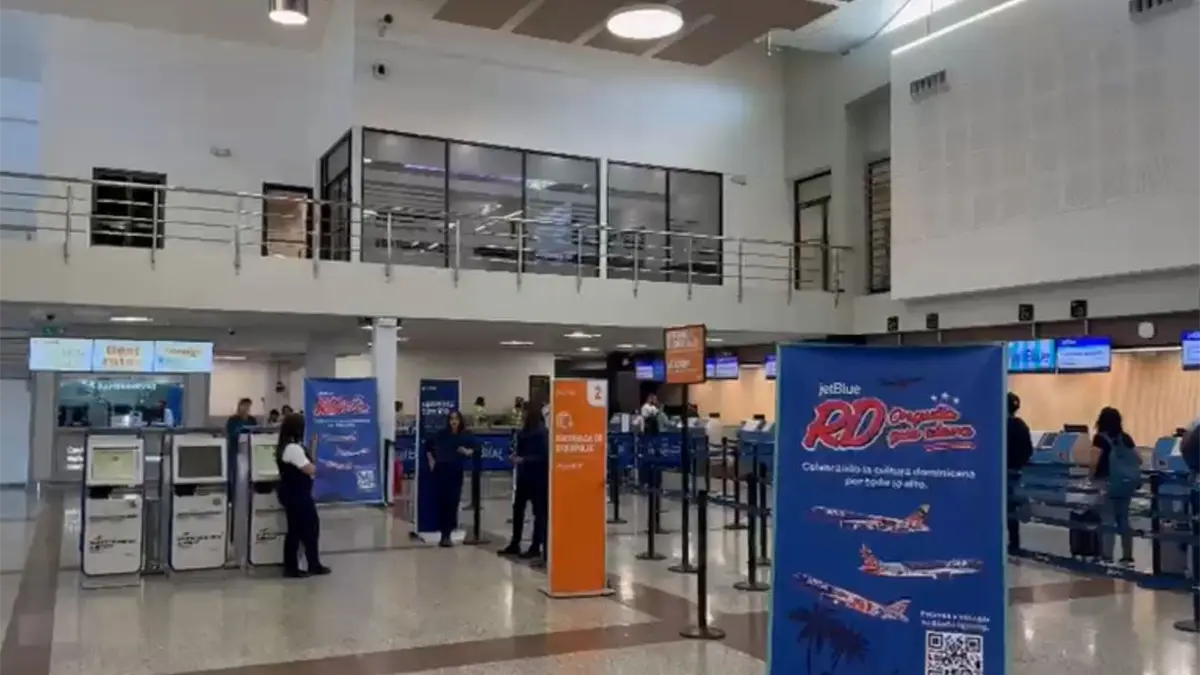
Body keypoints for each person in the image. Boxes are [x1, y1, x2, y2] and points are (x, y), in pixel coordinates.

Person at [275, 413, 330, 578]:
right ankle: (302, 566)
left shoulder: (287, 446)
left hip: (292, 492)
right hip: (297, 494)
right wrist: (321, 468)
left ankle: (306, 564)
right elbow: (309, 469)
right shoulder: (293, 448)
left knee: (299, 529)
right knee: (305, 528)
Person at [499, 401, 549, 561]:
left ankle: (536, 545)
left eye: (524, 412)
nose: (522, 415)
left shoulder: (542, 432)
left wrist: (524, 459)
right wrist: (515, 457)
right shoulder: (523, 432)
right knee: (518, 509)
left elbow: (544, 455)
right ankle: (515, 542)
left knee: (539, 513)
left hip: (538, 477)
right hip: (524, 476)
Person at [1090, 406, 1140, 565]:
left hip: (1106, 483)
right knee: (1123, 519)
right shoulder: (1126, 438)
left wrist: (1090, 477)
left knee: (1108, 520)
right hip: (1125, 484)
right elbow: (1138, 458)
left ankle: (1107, 556)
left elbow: (1094, 461)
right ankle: (1127, 556)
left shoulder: (1100, 439)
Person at [424, 410, 477, 547]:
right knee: (442, 502)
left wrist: (467, 451)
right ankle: (444, 534)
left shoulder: (465, 435)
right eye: (451, 419)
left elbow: (476, 448)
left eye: (456, 419)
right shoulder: (442, 435)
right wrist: (431, 461)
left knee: (453, 502)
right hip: (441, 470)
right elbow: (428, 446)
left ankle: (448, 533)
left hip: (455, 471)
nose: (454, 422)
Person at [1005, 393, 1033, 554]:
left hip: (1002, 474)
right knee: (1012, 510)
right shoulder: (1021, 426)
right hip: (1016, 473)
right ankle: (1014, 543)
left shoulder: (1000, 426)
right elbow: (1029, 451)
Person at [225, 398, 259, 496]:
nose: (246, 408)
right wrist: (239, 431)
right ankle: (232, 494)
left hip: (249, 449)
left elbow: (256, 431)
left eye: (248, 406)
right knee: (234, 472)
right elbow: (230, 433)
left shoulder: (252, 420)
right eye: (244, 406)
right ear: (240, 406)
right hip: (235, 449)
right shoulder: (233, 420)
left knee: (248, 473)